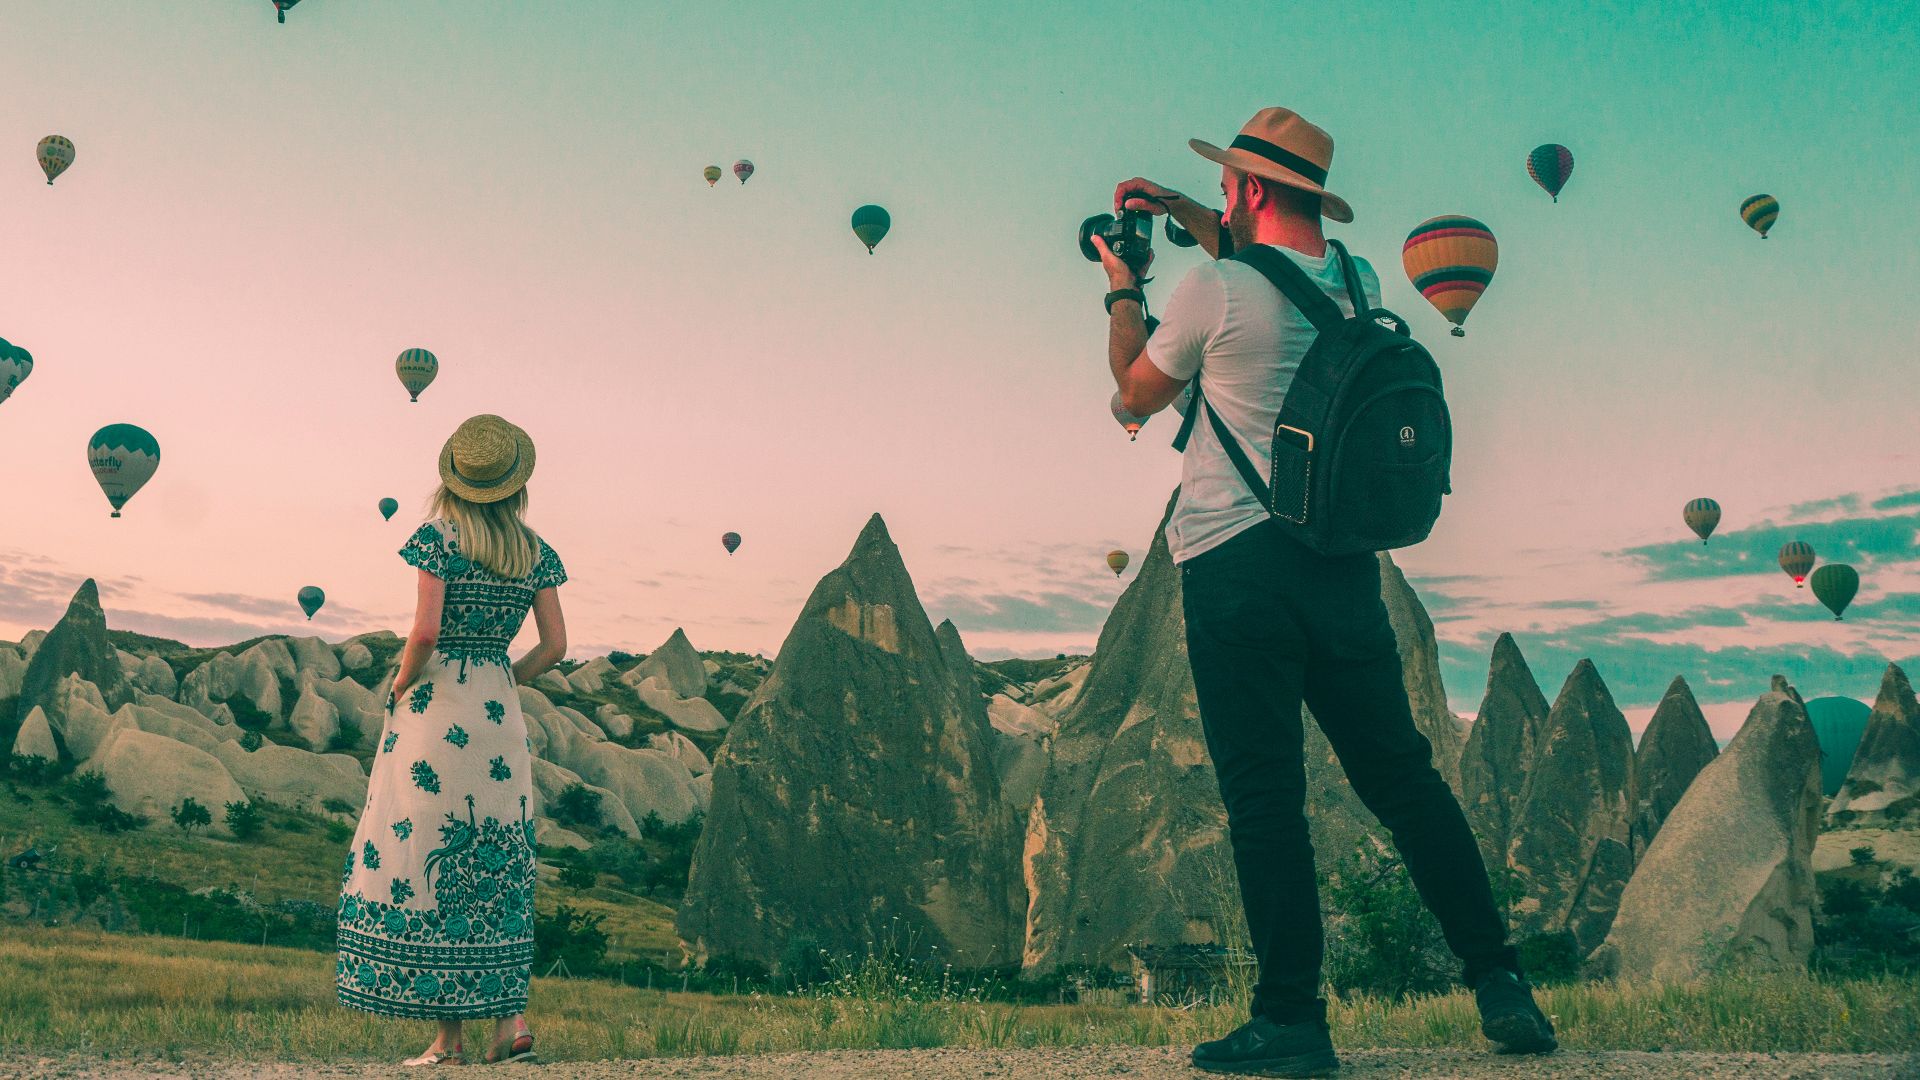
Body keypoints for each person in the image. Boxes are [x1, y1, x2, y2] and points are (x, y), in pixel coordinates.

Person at [1094, 108, 1556, 1076]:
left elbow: (1135, 396)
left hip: (1234, 567)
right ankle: (1500, 980)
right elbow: (1271, 265)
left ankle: (1294, 1020)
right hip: (1345, 569)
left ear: (1252, 191)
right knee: (1404, 780)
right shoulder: (1357, 284)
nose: (1219, 199)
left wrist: (1122, 291)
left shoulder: (1208, 291)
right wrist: (1180, 204)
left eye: (1226, 185)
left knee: (1266, 798)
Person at [335, 413, 569, 1067]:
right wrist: (504, 679)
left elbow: (424, 634)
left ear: (454, 480)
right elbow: (556, 646)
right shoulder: (535, 550)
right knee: (499, 858)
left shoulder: (438, 538)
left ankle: (448, 1041)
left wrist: (397, 687)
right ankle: (510, 1024)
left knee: (433, 854)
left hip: (437, 713)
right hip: (498, 715)